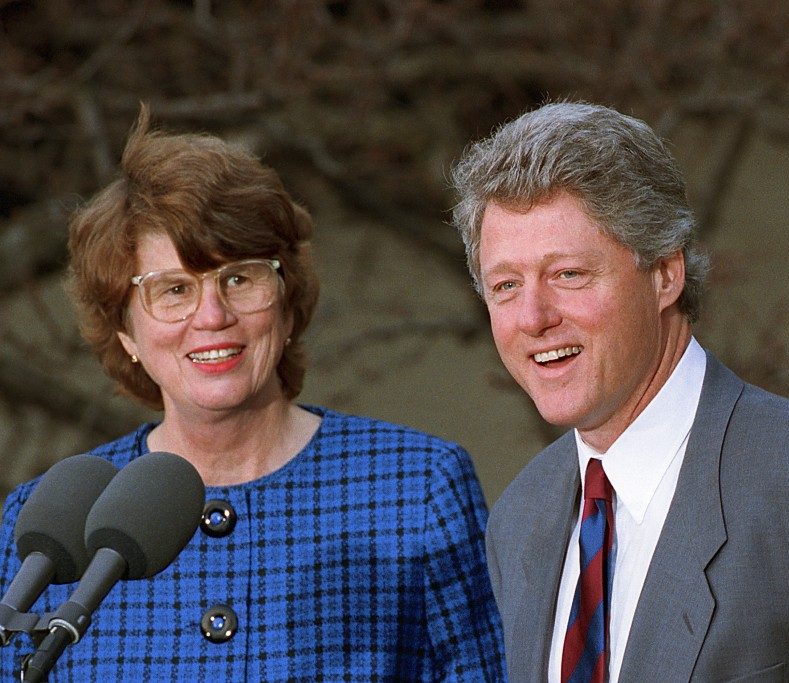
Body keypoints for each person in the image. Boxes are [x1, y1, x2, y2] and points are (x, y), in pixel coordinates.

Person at [451, 102, 789, 682]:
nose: (534, 316)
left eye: (569, 274)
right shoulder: (521, 517)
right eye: (506, 286)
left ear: (665, 273)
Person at [0, 106, 505, 681]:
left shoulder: (417, 487)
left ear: (288, 305)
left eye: (239, 278)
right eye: (173, 291)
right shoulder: (52, 524)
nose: (212, 316)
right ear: (126, 335)